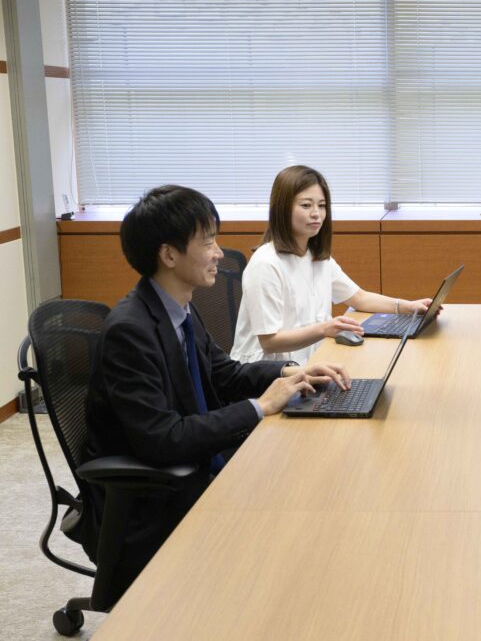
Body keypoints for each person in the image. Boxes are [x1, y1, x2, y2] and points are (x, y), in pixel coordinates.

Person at [83, 184, 351, 601]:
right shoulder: (130, 332)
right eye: (207, 242)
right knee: (300, 518)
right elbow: (163, 438)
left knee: (318, 484)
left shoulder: (178, 308)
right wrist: (260, 407)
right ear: (168, 255)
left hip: (197, 465)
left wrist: (292, 370)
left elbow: (222, 373)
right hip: (153, 498)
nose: (218, 253)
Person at [231, 165, 434, 364]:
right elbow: (269, 342)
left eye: (321, 205)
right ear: (282, 209)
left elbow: (359, 298)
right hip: (263, 375)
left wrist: (408, 307)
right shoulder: (266, 264)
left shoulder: (317, 256)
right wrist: (324, 329)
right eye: (306, 205)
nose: (316, 213)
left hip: (309, 364)